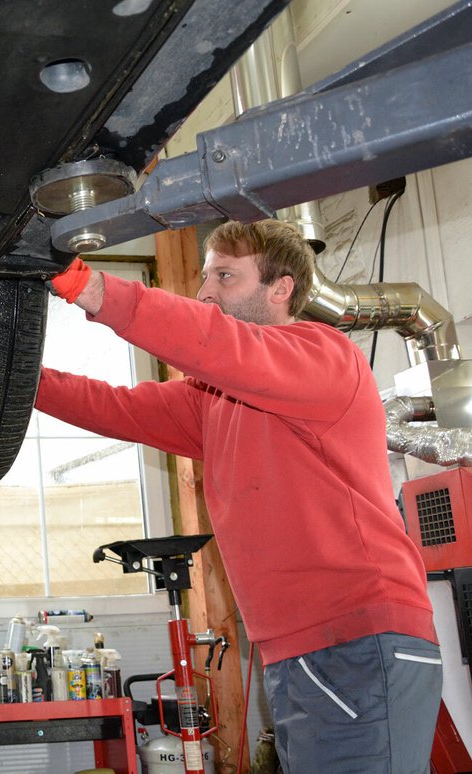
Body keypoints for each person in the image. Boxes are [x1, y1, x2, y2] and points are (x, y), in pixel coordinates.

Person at [38, 220, 441, 773]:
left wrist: (90, 286)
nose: (205, 293)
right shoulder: (216, 399)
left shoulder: (323, 354)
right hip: (295, 648)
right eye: (205, 278)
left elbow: (216, 342)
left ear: (282, 290)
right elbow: (114, 406)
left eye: (225, 277)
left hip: (358, 637)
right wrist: (6, 384)